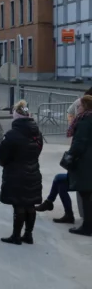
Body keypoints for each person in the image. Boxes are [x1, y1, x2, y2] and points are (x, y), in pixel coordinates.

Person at [0, 100, 43, 245]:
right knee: (30, 204)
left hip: (16, 173)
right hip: (33, 171)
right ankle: (28, 235)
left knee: (19, 205)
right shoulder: (37, 133)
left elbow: (3, 156)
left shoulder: (12, 135)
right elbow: (38, 151)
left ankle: (16, 236)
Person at [66, 94, 92, 236]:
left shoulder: (85, 120)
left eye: (80, 105)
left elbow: (79, 144)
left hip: (86, 163)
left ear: (86, 106)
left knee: (85, 194)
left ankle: (87, 226)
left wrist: (70, 156)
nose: (78, 108)